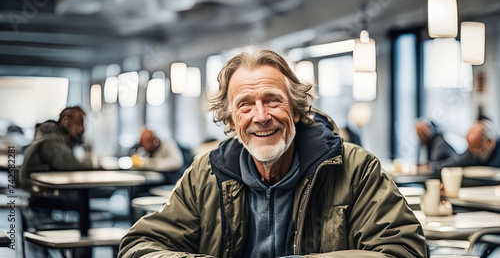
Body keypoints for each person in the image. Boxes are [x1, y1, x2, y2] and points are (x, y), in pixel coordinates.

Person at [118, 48, 427, 257]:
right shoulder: (206, 174)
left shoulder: (355, 168)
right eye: (245, 104)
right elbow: (138, 246)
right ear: (230, 120)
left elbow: (403, 250)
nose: (261, 115)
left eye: (272, 100)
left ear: (295, 110)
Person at [18, 106, 93, 190]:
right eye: (78, 124)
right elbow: (67, 164)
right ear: (66, 121)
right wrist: (93, 165)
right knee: (82, 194)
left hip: (43, 189)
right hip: (41, 193)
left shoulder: (56, 136)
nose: (82, 129)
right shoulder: (50, 139)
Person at [428, 118, 500, 174]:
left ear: (490, 142)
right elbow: (455, 162)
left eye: (478, 147)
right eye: (471, 148)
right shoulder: (472, 152)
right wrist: (432, 167)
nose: (473, 152)